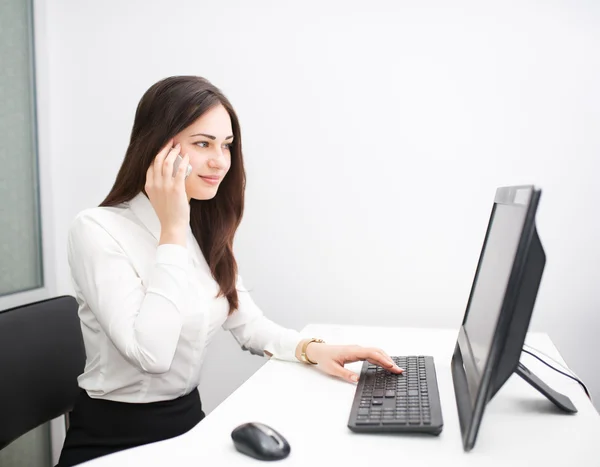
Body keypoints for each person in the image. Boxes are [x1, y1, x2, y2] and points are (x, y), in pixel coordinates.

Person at [56, 76, 403, 466]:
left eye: (226, 145)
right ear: (157, 147)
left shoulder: (200, 228)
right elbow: (151, 355)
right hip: (114, 442)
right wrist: (171, 230)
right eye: (203, 144)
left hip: (187, 426)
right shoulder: (97, 230)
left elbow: (248, 325)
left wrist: (315, 350)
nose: (220, 161)